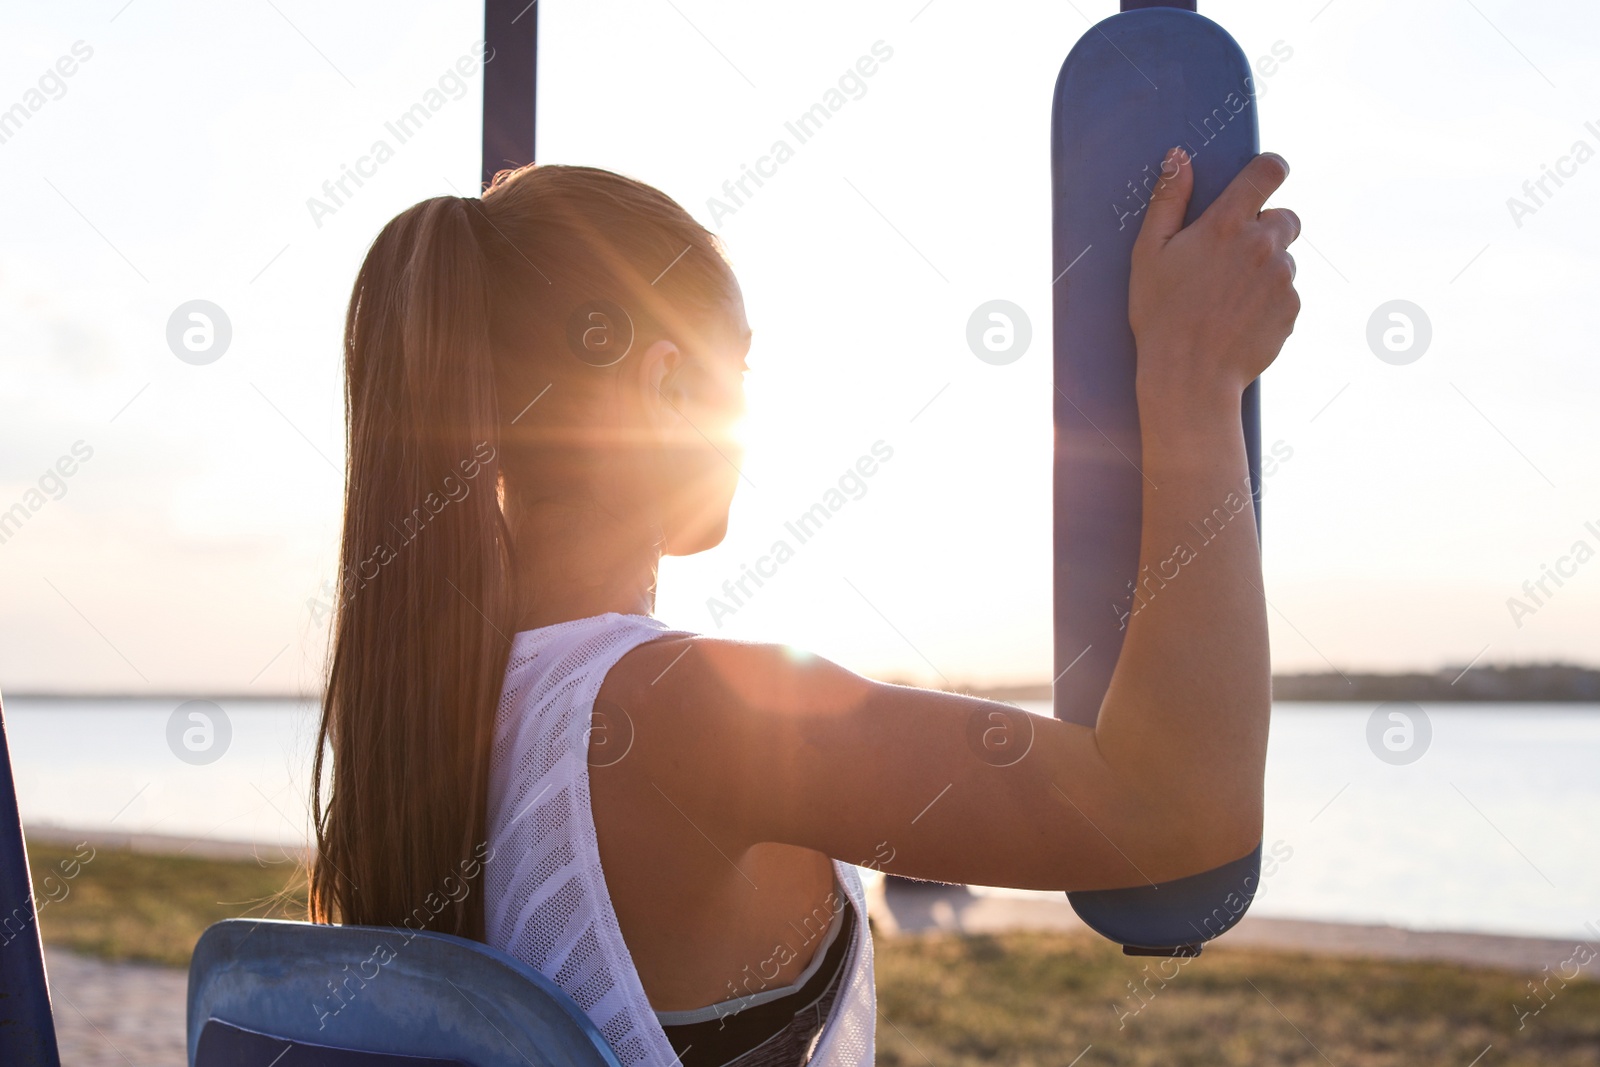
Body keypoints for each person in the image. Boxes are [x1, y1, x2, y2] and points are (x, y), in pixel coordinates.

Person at [310, 147, 1300, 1067]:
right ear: (663, 389)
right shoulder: (694, 708)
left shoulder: (434, 723)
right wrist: (1190, 382)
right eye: (736, 370)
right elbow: (1173, 811)